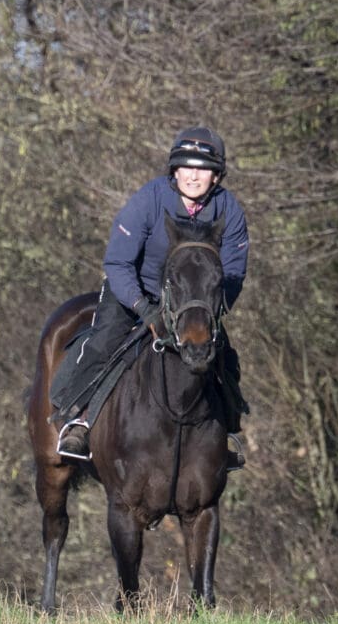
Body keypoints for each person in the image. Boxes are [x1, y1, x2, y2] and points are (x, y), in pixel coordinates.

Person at [51, 127, 250, 465]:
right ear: (174, 171)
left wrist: (214, 310)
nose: (193, 176)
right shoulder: (149, 199)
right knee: (104, 342)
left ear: (216, 176)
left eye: (202, 169)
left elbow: (233, 272)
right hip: (134, 290)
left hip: (193, 301)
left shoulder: (229, 209)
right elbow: (117, 262)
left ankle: (225, 432)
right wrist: (144, 308)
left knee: (224, 356)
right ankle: (77, 419)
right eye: (186, 167)